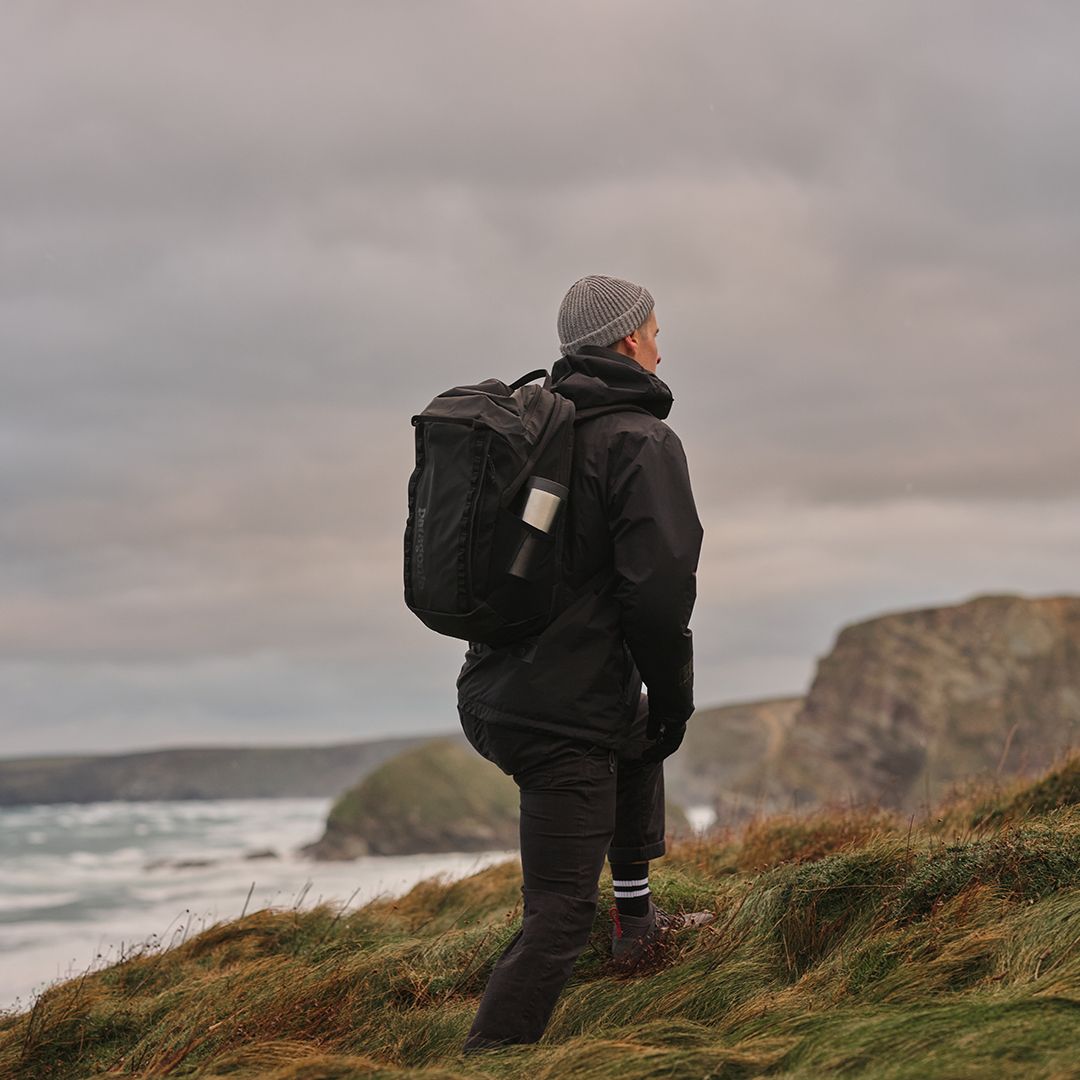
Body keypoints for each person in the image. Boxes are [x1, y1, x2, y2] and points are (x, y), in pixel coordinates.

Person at [456, 274, 712, 1050]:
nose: (662, 347)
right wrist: (677, 698)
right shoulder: (638, 440)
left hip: (495, 689)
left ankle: (636, 923)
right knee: (560, 915)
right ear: (630, 339)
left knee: (634, 727)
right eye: (656, 333)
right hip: (557, 717)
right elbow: (658, 594)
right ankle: (488, 1058)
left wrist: (654, 707)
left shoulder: (544, 431)